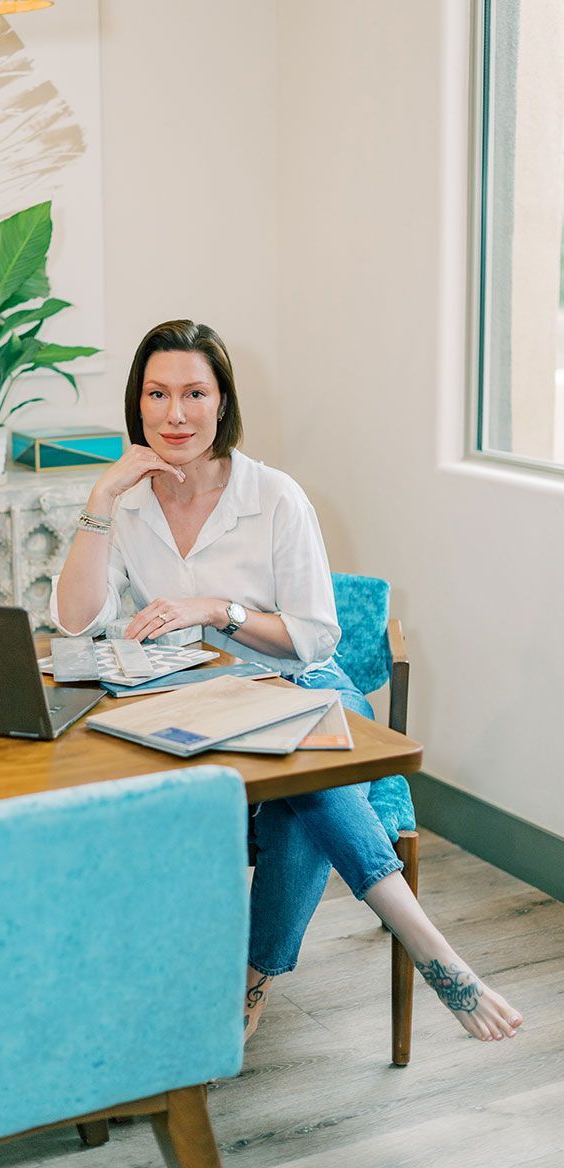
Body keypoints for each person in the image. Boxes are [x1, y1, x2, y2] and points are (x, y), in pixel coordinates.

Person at [51, 318, 523, 1046]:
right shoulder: (132, 502)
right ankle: (376, 958)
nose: (175, 413)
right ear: (137, 405)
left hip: (302, 683)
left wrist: (219, 609)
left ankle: (331, 970)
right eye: (156, 393)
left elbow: (314, 635)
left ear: (222, 402)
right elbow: (77, 624)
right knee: (295, 806)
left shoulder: (273, 496)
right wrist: (103, 496)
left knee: (305, 780)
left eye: (193, 393)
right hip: (194, 700)